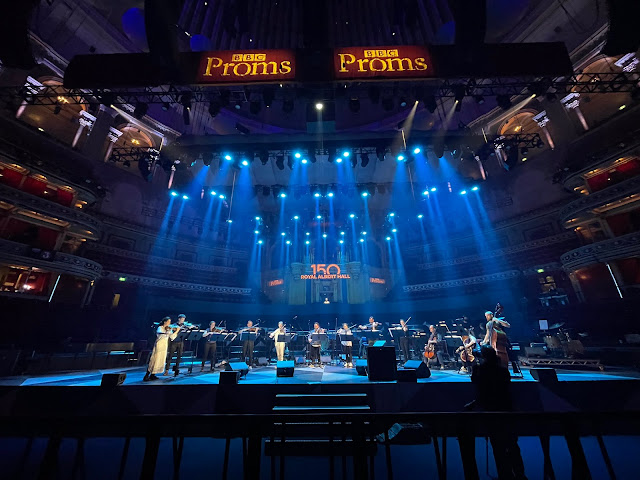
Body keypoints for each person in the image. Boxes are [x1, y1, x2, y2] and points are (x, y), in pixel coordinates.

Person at [461, 346, 528, 480]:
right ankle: (519, 473)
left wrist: (475, 370)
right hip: (507, 408)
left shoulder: (481, 370)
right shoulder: (503, 371)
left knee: (497, 445)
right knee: (512, 444)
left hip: (491, 409)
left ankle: (504, 474)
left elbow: (480, 389)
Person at [144, 317, 178, 381]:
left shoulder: (169, 329)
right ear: (165, 322)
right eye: (168, 322)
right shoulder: (160, 327)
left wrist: (176, 331)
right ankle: (146, 375)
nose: (169, 323)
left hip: (164, 345)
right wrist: (168, 331)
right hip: (159, 345)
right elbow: (161, 334)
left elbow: (172, 337)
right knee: (155, 359)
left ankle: (153, 375)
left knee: (160, 360)